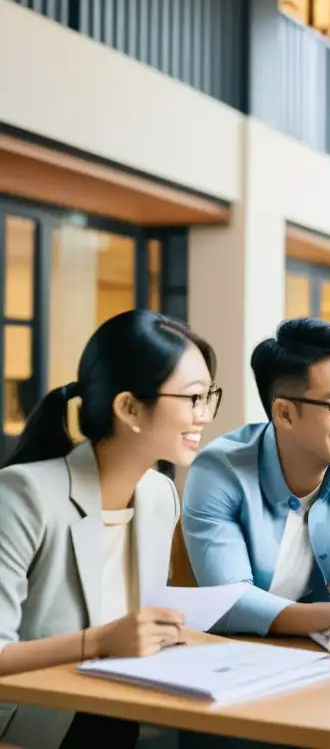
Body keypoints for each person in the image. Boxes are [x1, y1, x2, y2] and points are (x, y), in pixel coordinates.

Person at [0, 310, 219, 748]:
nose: (204, 416)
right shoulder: (23, 495)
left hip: (125, 714)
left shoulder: (160, 496)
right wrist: (99, 640)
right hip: (32, 729)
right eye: (193, 398)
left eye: (210, 397)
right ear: (129, 408)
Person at [181, 319, 330, 638]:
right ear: (285, 414)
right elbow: (229, 601)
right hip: (240, 654)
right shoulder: (219, 470)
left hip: (329, 649)